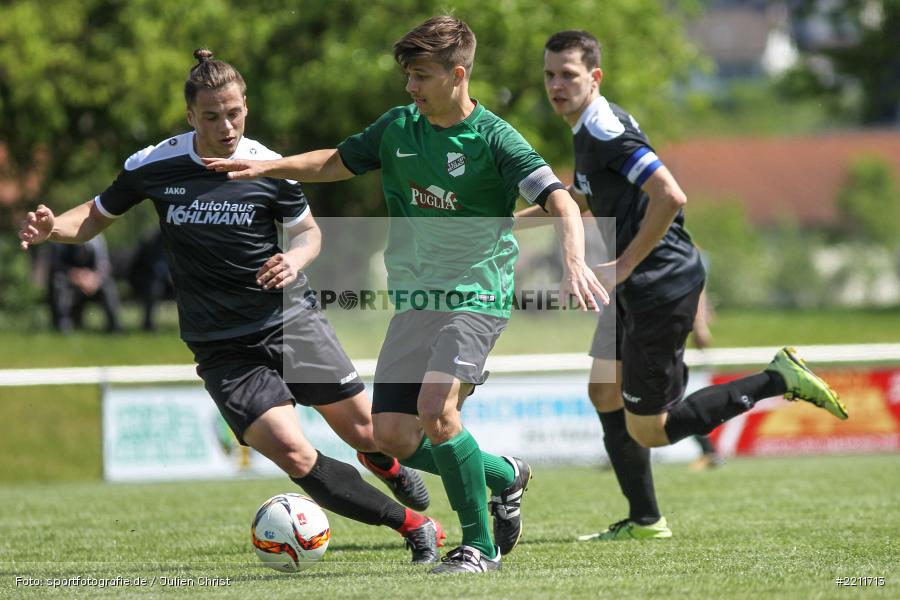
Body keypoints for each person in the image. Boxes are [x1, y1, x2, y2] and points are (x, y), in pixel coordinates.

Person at [205, 16, 608, 574]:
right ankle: (505, 475)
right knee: (392, 436)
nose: (410, 87)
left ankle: (478, 547)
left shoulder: (494, 138)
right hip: (417, 302)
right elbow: (336, 162)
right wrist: (268, 166)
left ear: (457, 74)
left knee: (436, 411)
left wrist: (571, 261)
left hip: (476, 296)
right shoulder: (398, 127)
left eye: (420, 75)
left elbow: (560, 200)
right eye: (408, 76)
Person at [18, 49, 446, 564]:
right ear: (189, 116)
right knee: (294, 453)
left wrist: (293, 259)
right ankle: (417, 528)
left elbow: (309, 233)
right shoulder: (155, 165)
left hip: (288, 321)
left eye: (235, 113)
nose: (226, 126)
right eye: (212, 116)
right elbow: (93, 216)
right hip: (221, 345)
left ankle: (387, 464)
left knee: (367, 433)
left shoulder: (268, 166)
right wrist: (52, 229)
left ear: (247, 105)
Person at [515, 30, 847, 542]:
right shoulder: (586, 127)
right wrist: (508, 222)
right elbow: (582, 198)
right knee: (604, 391)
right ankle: (645, 519)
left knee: (652, 428)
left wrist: (623, 265)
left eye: (569, 75)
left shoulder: (605, 128)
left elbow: (670, 194)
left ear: (594, 78)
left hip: (658, 283)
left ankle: (778, 379)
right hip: (635, 284)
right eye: (550, 74)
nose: (556, 85)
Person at [48, 233, 122, 333]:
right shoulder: (60, 237)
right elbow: (57, 265)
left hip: (92, 280)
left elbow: (104, 265)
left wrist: (95, 278)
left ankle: (114, 326)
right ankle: (62, 325)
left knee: (108, 285)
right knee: (59, 283)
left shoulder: (97, 238)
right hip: (69, 280)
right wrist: (76, 276)